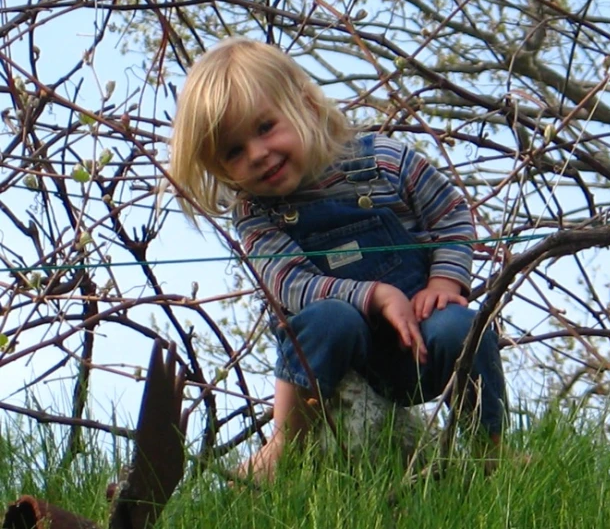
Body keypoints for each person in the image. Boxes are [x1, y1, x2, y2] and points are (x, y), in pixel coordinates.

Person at [167, 38, 507, 483]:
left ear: (306, 104)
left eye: (266, 127)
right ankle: (286, 445)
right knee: (327, 318)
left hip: (420, 340)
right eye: (233, 151)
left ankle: (490, 453)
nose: (256, 153)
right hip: (338, 365)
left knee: (465, 327)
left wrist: (445, 281)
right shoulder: (256, 214)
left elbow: (450, 213)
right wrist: (373, 295)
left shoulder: (384, 161)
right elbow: (290, 283)